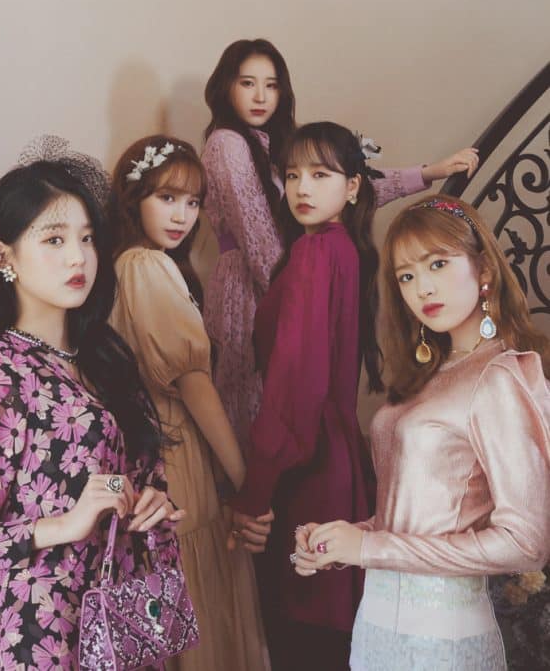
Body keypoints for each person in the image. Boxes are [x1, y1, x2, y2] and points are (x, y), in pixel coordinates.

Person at [294, 195, 550, 671]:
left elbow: (526, 542)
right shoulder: (427, 377)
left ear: (483, 269)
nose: (422, 288)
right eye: (406, 276)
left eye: (437, 264)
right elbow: (414, 518)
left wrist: (368, 547)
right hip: (377, 628)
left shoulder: (500, 376)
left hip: (443, 638)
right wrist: (342, 540)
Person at [0, 143, 183, 669]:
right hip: (35, 638)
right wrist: (59, 526)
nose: (78, 257)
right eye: (54, 239)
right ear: (3, 256)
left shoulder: (108, 360)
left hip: (118, 631)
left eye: (87, 238)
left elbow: (131, 482)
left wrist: (150, 504)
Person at [201, 38, 480, 448]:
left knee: (298, 407)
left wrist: (426, 173)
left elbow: (345, 192)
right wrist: (296, 292)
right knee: (256, 409)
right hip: (252, 289)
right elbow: (257, 236)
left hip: (289, 281)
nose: (261, 96)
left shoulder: (278, 144)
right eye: (247, 83)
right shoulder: (226, 142)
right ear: (226, 86)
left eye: (271, 85)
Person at [108, 135, 271, 671]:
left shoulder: (132, 267)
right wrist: (246, 481)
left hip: (166, 457)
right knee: (200, 608)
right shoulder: (145, 265)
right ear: (135, 200)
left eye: (193, 201)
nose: (182, 215)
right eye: (167, 198)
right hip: (177, 461)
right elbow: (194, 382)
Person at [231, 122, 390, 670]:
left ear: (353, 186)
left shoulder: (315, 252)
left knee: (303, 642)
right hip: (334, 459)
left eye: (320, 175)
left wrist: (255, 494)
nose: (302, 187)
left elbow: (295, 385)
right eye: (293, 175)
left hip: (306, 468)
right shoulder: (344, 249)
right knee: (330, 642)